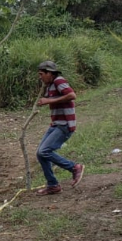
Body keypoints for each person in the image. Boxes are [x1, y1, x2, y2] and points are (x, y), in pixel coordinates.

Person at [36, 61, 84, 195]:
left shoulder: (59, 81)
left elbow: (72, 95)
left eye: (41, 74)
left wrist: (49, 101)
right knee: (40, 154)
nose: (40, 77)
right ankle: (53, 185)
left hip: (64, 125)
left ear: (49, 73)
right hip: (56, 124)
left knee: (44, 151)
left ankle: (74, 168)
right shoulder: (50, 85)